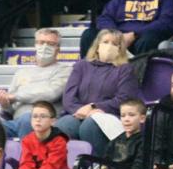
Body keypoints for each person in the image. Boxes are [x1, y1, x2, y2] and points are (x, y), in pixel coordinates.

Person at [55, 29, 140, 158]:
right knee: (64, 125)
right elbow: (69, 97)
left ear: (120, 49)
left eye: (114, 44)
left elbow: (124, 99)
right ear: (97, 46)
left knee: (90, 125)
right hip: (78, 113)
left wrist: (94, 107)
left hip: (108, 115)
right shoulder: (81, 65)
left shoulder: (125, 69)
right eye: (105, 42)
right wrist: (81, 111)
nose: (109, 46)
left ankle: (97, 167)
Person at [0, 27, 71, 139]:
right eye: (41, 42)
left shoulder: (65, 70)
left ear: (58, 49)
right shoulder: (21, 72)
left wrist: (15, 96)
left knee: (28, 119)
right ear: (35, 45)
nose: (45, 47)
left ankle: (29, 156)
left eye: (50, 43)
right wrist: (5, 104)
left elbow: (50, 93)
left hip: (43, 122)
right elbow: (11, 108)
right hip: (15, 122)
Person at [82, 97, 146, 169]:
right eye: (123, 116)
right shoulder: (115, 140)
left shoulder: (143, 141)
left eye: (131, 115)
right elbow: (105, 160)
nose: (126, 119)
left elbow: (136, 167)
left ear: (142, 118)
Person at [10, 101, 69, 169]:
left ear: (53, 121)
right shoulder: (27, 139)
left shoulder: (59, 141)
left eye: (43, 116)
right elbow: (26, 163)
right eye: (34, 116)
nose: (38, 120)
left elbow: (51, 167)